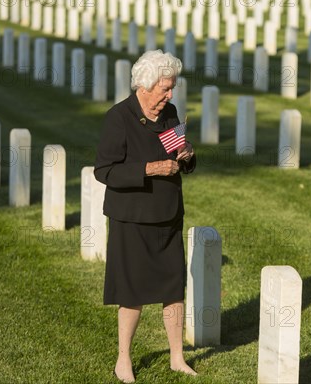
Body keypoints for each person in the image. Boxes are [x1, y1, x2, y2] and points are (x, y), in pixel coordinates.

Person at [94, 50, 197, 383]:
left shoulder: (169, 114)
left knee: (173, 288)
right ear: (145, 84)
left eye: (172, 88)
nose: (170, 95)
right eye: (165, 88)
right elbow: (105, 170)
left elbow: (180, 155)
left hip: (167, 214)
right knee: (132, 292)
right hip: (133, 217)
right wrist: (150, 169)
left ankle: (177, 357)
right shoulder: (119, 117)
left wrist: (186, 155)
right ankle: (123, 358)